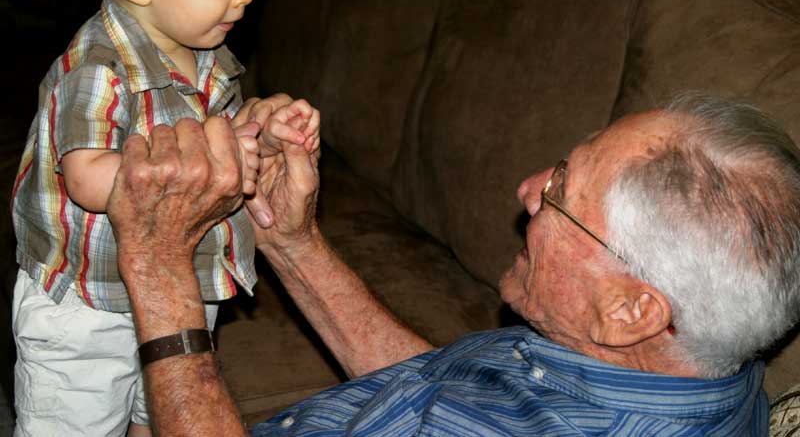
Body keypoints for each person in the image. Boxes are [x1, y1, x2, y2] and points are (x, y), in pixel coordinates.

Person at [107, 94, 800, 436]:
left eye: (562, 193)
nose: (529, 190)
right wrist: (292, 241)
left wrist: (157, 256)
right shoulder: (714, 373)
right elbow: (449, 400)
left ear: (630, 310)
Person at [10, 0, 319, 435]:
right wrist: (214, 153)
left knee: (162, 416)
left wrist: (257, 129)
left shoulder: (210, 56)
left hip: (181, 290)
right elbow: (87, 178)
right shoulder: (97, 68)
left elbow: (222, 135)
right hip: (86, 308)